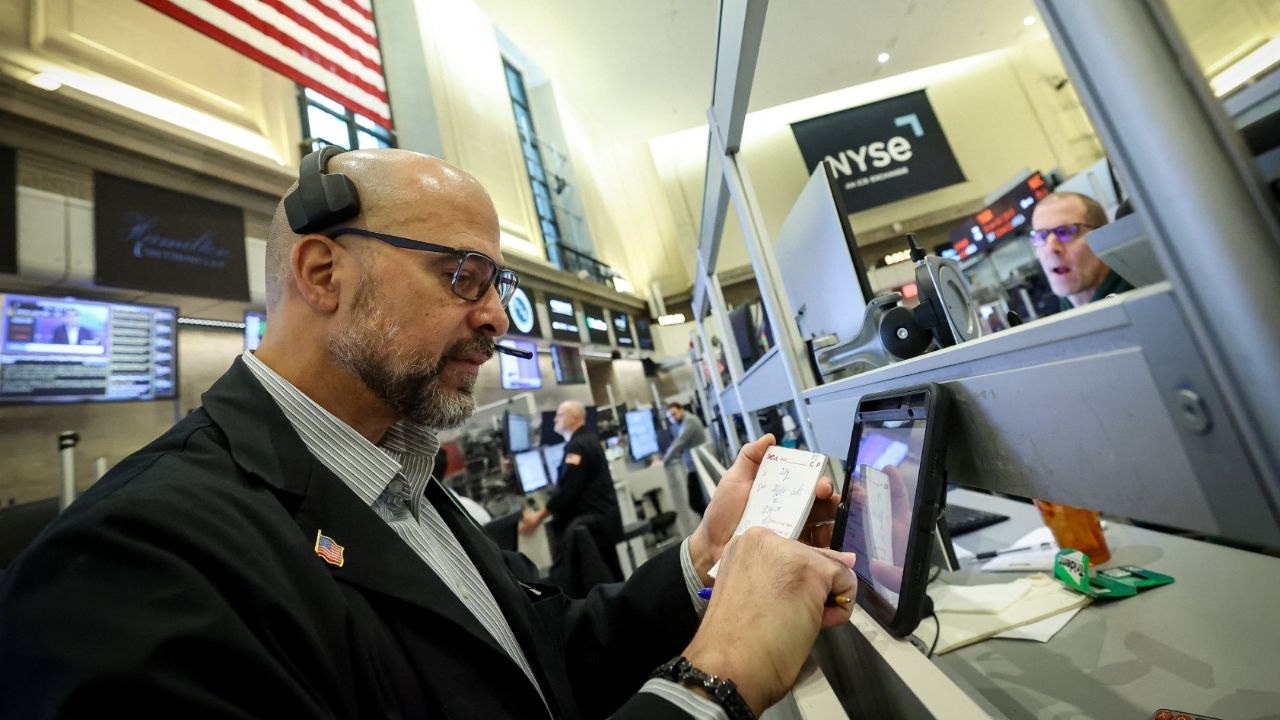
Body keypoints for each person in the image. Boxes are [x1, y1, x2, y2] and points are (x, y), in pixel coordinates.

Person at [0, 148, 855, 720]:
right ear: (323, 273)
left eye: (497, 285)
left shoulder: (402, 479)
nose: (496, 319)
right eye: (461, 276)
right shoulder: (131, 564)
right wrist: (717, 678)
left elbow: (539, 663)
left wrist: (706, 559)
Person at [520, 400, 624, 581]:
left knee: (603, 577)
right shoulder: (587, 439)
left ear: (574, 417)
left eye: (559, 415)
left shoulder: (577, 446)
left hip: (594, 525)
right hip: (603, 520)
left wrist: (538, 517)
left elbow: (568, 489)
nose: (554, 420)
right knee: (611, 572)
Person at [1030, 191, 1134, 311]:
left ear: (1102, 236)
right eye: (1041, 236)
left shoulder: (1141, 291)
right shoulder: (1064, 312)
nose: (1051, 248)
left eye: (1066, 232)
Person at [656, 402, 709, 533]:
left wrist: (664, 461)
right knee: (698, 502)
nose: (672, 418)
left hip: (697, 468)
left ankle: (711, 525)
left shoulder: (689, 421)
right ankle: (709, 526)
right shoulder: (684, 423)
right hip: (694, 468)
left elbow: (680, 442)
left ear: (681, 409)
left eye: (674, 414)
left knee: (695, 502)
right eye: (670, 417)